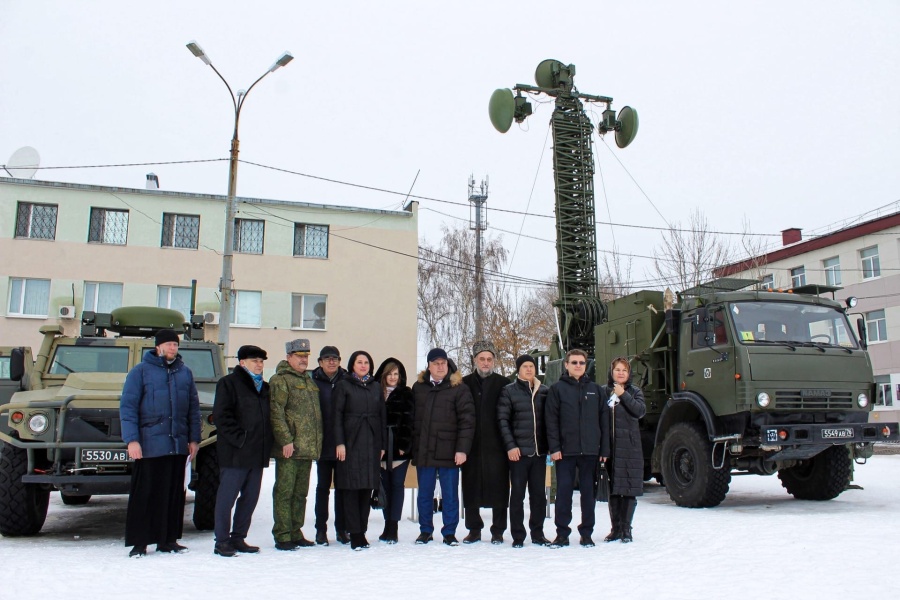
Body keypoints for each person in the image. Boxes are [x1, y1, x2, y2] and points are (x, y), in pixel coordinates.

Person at [120, 328, 200, 558]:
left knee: (173, 494)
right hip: (149, 445)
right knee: (146, 494)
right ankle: (140, 542)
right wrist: (132, 440)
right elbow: (128, 408)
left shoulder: (184, 373)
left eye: (175, 344)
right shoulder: (141, 372)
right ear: (158, 347)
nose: (173, 348)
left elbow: (193, 409)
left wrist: (194, 439)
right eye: (168, 344)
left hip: (177, 445)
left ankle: (168, 540)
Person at [211, 345, 274, 557]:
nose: (259, 364)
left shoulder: (264, 388)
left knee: (250, 498)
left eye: (261, 361)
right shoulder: (228, 384)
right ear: (242, 363)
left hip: (257, 453)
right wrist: (241, 439)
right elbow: (222, 416)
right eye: (254, 360)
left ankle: (238, 537)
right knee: (227, 498)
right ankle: (222, 540)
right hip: (235, 454)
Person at [545, 349, 610, 548]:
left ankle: (587, 533)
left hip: (590, 452)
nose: (578, 366)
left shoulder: (596, 390)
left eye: (582, 362)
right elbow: (551, 421)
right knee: (564, 493)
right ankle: (562, 533)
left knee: (588, 494)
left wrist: (604, 450)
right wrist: (554, 447)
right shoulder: (557, 390)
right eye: (574, 362)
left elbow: (604, 422)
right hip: (565, 452)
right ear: (566, 365)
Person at [411, 348, 475, 546]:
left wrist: (462, 449)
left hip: (449, 451)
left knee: (449, 494)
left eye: (443, 363)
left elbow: (467, 421)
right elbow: (413, 420)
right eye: (436, 363)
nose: (440, 367)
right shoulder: (419, 387)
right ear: (428, 366)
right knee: (424, 494)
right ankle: (425, 531)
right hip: (425, 449)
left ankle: (449, 532)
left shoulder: (459, 388)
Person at [269, 338, 323, 551]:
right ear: (288, 357)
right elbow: (276, 412)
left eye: (306, 356)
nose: (303, 360)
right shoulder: (280, 380)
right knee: (284, 492)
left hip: (306, 448)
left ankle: (295, 531)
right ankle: (282, 534)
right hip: (290, 448)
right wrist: (285, 440)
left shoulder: (308, 381)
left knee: (300, 493)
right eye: (299, 356)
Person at [334, 350, 386, 551]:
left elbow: (382, 416)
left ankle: (362, 531)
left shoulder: (375, 387)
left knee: (366, 490)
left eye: (366, 362)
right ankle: (353, 533)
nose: (363, 365)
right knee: (350, 489)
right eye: (359, 362)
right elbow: (336, 416)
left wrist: (381, 445)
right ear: (352, 365)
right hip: (350, 442)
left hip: (371, 443)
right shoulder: (343, 385)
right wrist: (340, 443)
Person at [497, 354, 550, 548]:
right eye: (525, 366)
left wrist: (550, 447)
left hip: (538, 454)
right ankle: (518, 536)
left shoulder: (544, 391)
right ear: (518, 369)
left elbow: (550, 422)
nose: (529, 369)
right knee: (517, 495)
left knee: (538, 496)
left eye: (532, 366)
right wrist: (511, 446)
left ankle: (538, 533)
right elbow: (503, 421)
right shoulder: (509, 391)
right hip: (518, 454)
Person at [461, 340, 510, 544]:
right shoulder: (464, 383)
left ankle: (498, 530)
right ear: (475, 360)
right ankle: (474, 529)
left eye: (489, 359)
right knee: (470, 486)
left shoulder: (504, 383)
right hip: (471, 445)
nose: (486, 363)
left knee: (499, 487)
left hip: (497, 445)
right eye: (482, 359)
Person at [599, 357, 647, 543]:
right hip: (610, 447)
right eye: (617, 370)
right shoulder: (604, 391)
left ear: (629, 374)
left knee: (628, 488)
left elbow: (640, 411)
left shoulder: (635, 392)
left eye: (624, 370)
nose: (620, 373)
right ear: (611, 372)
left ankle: (627, 528)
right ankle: (615, 528)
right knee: (614, 489)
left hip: (629, 447)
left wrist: (623, 395)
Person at [373, 357, 415, 544]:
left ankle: (393, 527)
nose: (392, 377)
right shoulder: (375, 392)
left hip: (399, 448)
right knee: (384, 488)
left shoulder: (406, 393)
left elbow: (410, 420)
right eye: (389, 373)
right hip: (379, 448)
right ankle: (386, 525)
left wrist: (404, 444)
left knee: (397, 487)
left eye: (396, 374)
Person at [311, 345, 349, 545]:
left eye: (334, 358)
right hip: (323, 444)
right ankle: (320, 530)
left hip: (343, 444)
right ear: (320, 362)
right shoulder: (312, 382)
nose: (331, 362)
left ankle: (342, 529)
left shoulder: (347, 380)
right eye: (327, 359)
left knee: (342, 489)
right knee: (322, 488)